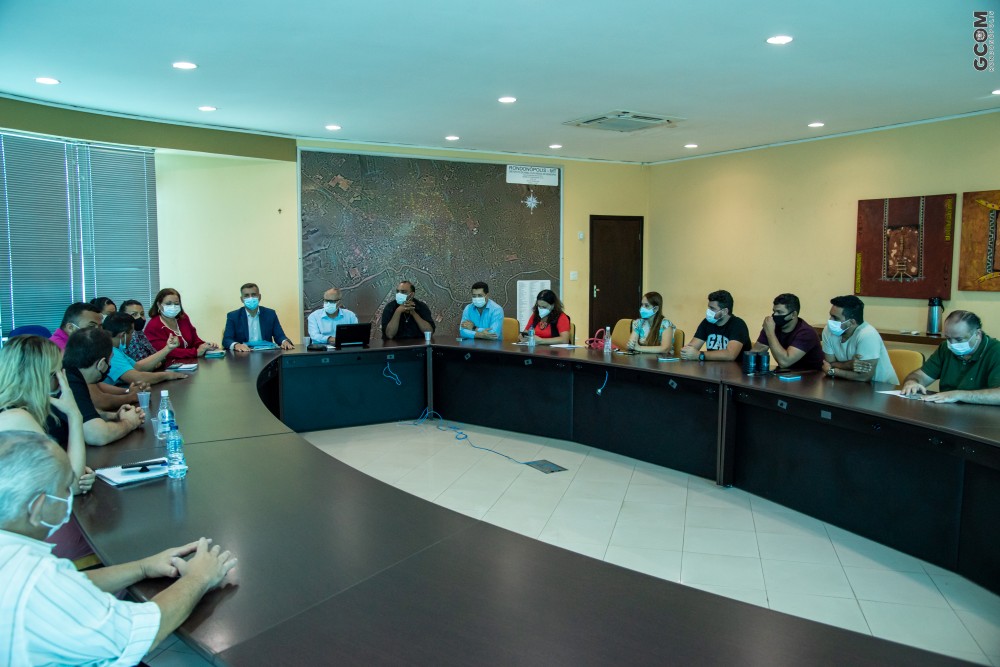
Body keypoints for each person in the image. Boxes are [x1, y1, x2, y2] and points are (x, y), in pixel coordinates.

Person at [0, 430, 237, 667]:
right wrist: (198, 578)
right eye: (65, 488)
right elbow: (139, 633)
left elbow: (69, 583)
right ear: (38, 507)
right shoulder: (34, 579)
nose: (70, 494)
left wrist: (142, 568)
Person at [0, 336, 95, 560]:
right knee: (107, 534)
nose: (62, 380)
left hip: (19, 525)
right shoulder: (17, 418)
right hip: (24, 538)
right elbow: (73, 484)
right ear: (41, 377)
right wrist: (74, 415)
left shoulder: (13, 411)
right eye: (57, 373)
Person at [55, 328, 145, 446]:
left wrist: (113, 416)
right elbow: (97, 435)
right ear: (102, 364)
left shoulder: (70, 373)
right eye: (110, 360)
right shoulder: (69, 382)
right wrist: (129, 422)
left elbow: (84, 413)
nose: (110, 365)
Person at [901, 310, 1000, 404]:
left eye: (959, 339)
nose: (952, 344)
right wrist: (912, 382)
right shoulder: (945, 347)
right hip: (946, 409)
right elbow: (921, 375)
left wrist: (959, 395)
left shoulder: (996, 351)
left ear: (977, 334)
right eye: (948, 338)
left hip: (982, 413)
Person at [820, 295, 898, 384]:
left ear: (851, 322)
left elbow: (864, 376)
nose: (830, 320)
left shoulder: (868, 335)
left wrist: (833, 371)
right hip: (850, 385)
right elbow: (829, 363)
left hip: (882, 387)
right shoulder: (828, 331)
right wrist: (849, 365)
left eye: (835, 318)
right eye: (831, 316)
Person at [103, 313, 189, 386]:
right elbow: (138, 378)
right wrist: (167, 375)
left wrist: (168, 348)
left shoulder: (116, 350)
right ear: (123, 335)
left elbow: (138, 367)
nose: (132, 336)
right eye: (132, 333)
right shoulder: (111, 352)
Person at [750, 293, 824, 371]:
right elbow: (755, 353)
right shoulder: (773, 327)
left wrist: (770, 333)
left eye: (779, 312)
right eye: (774, 311)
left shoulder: (806, 333)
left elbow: (784, 362)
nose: (775, 315)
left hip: (811, 376)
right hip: (786, 374)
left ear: (793, 314)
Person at [144, 288, 220, 361]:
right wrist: (195, 352)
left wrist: (204, 346)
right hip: (168, 366)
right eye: (168, 303)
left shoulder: (183, 318)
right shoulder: (153, 326)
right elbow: (165, 352)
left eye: (176, 303)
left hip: (190, 363)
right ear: (159, 305)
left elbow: (194, 339)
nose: (173, 306)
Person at [680, 290, 751, 362]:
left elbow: (730, 355)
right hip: (711, 367)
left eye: (712, 308)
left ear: (725, 311)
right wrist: (687, 351)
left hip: (735, 368)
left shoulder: (738, 325)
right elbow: (692, 347)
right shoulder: (706, 322)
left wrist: (700, 355)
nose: (708, 311)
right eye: (708, 307)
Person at [223, 282, 295, 352]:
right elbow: (226, 340)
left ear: (259, 297)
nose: (250, 298)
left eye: (253, 295)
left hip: (266, 355)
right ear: (242, 299)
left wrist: (284, 341)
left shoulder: (270, 314)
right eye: (246, 295)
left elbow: (279, 335)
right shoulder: (233, 316)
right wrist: (236, 345)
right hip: (243, 354)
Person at [121, 299, 160, 363]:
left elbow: (154, 354)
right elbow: (144, 364)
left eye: (142, 314)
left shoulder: (140, 333)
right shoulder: (127, 337)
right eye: (134, 314)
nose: (140, 317)